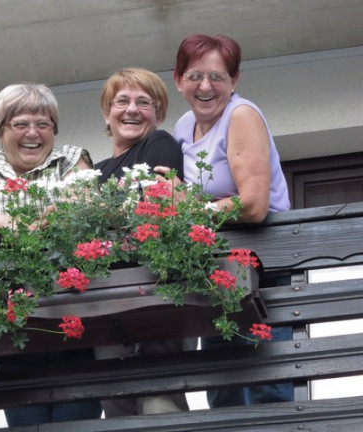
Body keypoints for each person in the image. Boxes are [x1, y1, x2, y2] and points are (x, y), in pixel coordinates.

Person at [0, 83, 102, 426]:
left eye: (43, 123)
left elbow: (87, 212)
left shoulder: (71, 158)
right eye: (20, 124)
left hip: (72, 319)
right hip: (11, 326)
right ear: (1, 130)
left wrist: (28, 223)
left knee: (77, 422)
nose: (32, 133)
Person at [159, 33, 293, 407]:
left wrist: (192, 209)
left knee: (266, 386)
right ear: (177, 79)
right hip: (217, 269)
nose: (205, 86)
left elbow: (253, 206)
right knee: (223, 390)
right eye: (195, 76)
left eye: (217, 77)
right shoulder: (184, 125)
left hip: (265, 267)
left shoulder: (242, 115)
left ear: (234, 80)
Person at [93, 67, 193, 417]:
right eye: (122, 101)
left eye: (144, 102)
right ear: (107, 112)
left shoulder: (160, 143)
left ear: (159, 113)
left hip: (156, 294)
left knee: (160, 403)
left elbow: (154, 211)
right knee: (116, 404)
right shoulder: (96, 169)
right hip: (105, 298)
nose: (132, 109)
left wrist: (100, 210)